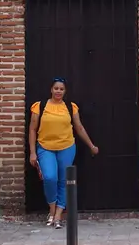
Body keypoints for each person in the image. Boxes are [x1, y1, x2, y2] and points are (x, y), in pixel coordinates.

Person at [29, 77, 99, 228]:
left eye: (61, 89)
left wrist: (91, 145)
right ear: (51, 89)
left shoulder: (70, 107)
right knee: (50, 177)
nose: (58, 91)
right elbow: (32, 129)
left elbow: (79, 127)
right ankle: (52, 209)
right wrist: (32, 152)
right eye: (56, 88)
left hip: (67, 147)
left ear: (65, 91)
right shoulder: (39, 106)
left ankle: (58, 215)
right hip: (45, 147)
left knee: (64, 180)